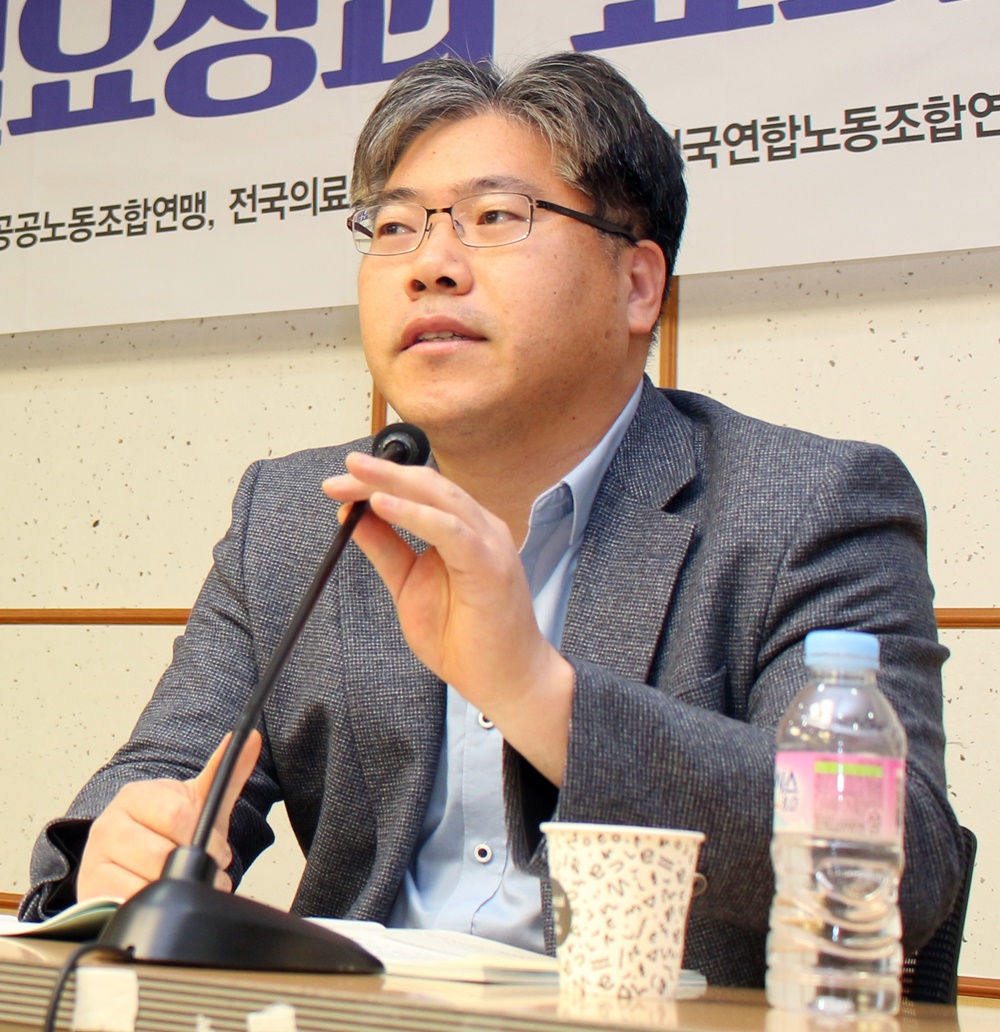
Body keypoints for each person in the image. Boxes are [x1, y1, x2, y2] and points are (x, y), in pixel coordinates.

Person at [21, 51, 960, 988]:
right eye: (395, 227)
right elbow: (164, 774)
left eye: (496, 217)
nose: (430, 266)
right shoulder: (302, 514)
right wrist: (121, 851)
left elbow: (897, 860)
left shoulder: (805, 504)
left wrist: (540, 694)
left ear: (639, 285)